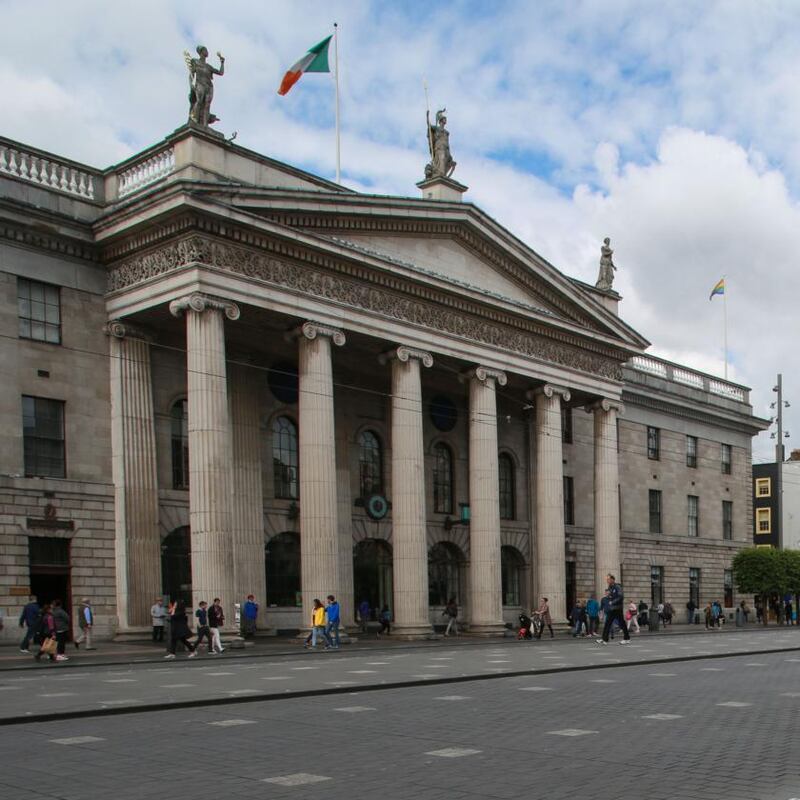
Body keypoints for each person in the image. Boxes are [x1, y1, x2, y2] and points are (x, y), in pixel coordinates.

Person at [597, 574, 630, 645]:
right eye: (607, 579)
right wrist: (609, 597)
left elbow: (621, 596)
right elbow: (611, 596)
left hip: (617, 608)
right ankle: (604, 639)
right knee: (608, 623)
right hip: (613, 608)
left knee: (621, 624)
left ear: (612, 579)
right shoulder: (610, 587)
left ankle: (626, 638)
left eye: (608, 579)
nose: (607, 581)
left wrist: (612, 602)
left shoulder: (617, 587)